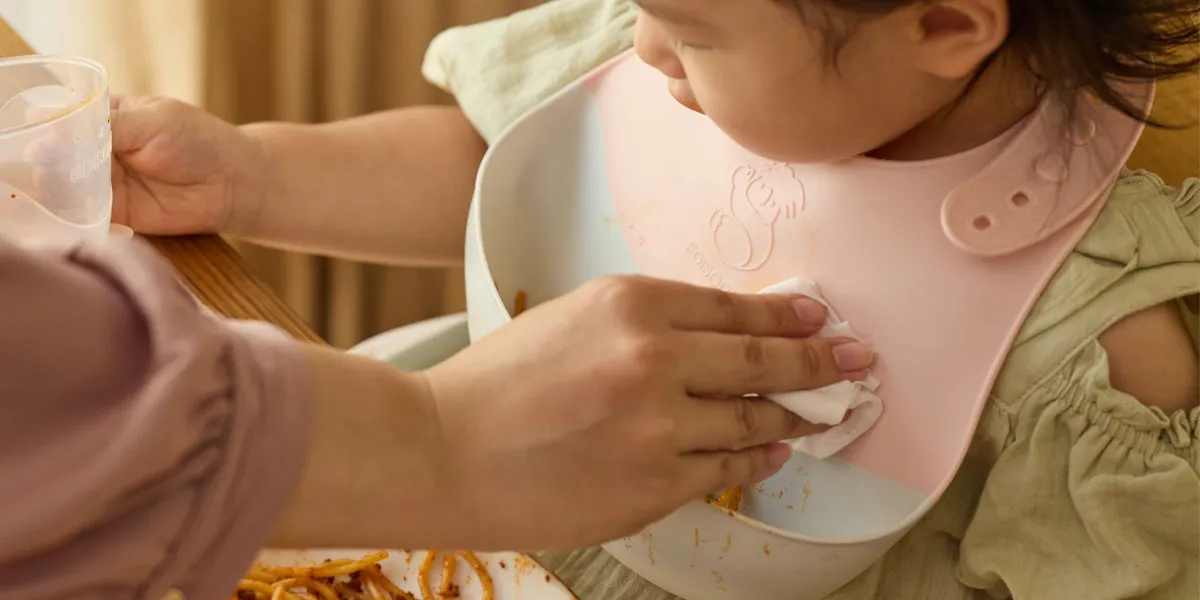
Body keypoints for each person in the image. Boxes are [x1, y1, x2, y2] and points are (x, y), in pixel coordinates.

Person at [94, 0, 1198, 598]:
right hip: (455, 509)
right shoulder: (699, 36)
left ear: (947, 28)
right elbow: (511, 169)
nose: (642, 44)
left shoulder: (1098, 352)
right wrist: (248, 174)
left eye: (690, 30)